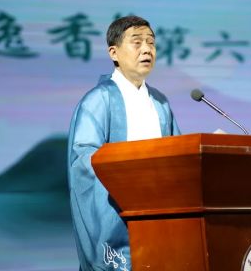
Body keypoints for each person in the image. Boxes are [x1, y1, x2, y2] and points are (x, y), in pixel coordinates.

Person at [67, 15, 181, 271]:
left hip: (158, 218)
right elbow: (83, 161)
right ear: (114, 53)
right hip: (118, 218)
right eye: (137, 42)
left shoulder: (161, 103)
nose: (147, 49)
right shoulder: (99, 100)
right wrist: (130, 174)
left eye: (151, 42)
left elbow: (178, 156)